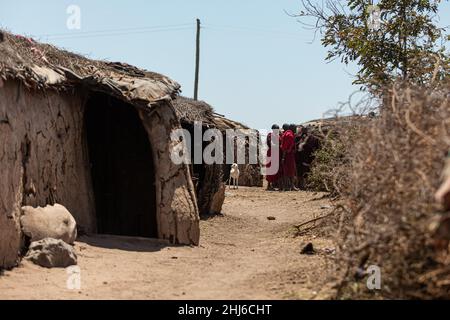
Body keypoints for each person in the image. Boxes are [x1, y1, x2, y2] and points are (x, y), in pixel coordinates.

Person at [280, 124, 298, 191]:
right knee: (290, 171)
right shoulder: (289, 135)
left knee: (288, 171)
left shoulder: (287, 134)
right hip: (288, 155)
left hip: (288, 154)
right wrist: (283, 157)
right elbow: (285, 147)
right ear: (292, 128)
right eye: (295, 128)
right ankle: (290, 186)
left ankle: (289, 186)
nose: (296, 129)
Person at [266, 124, 281, 190]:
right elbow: (270, 142)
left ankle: (274, 184)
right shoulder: (270, 135)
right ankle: (269, 184)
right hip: (271, 152)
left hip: (277, 153)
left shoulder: (278, 136)